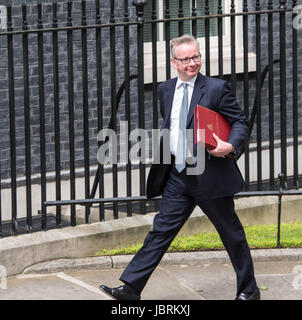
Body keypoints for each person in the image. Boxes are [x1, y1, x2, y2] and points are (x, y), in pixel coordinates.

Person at [100, 35, 260, 300]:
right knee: (160, 231)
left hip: (209, 175)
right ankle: (131, 288)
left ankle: (249, 291)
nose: (192, 63)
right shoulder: (165, 89)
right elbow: (172, 127)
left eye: (196, 57)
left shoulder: (216, 88)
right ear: (174, 62)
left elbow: (240, 122)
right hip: (178, 175)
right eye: (185, 59)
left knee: (232, 235)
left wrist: (229, 146)